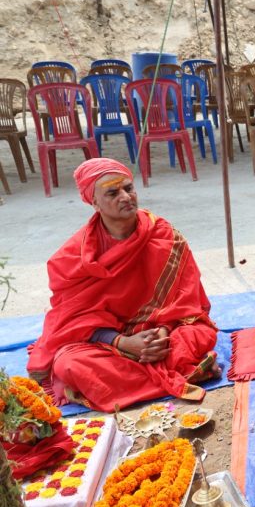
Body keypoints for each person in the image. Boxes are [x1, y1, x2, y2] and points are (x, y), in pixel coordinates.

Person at [27, 158, 219, 411]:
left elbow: (187, 302)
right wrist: (123, 342)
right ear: (94, 202)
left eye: (129, 188)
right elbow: (72, 320)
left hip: (161, 333)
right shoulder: (72, 257)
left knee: (196, 335)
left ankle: (142, 377)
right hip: (108, 341)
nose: (125, 197)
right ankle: (183, 376)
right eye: (113, 192)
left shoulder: (165, 235)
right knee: (69, 363)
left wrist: (160, 334)